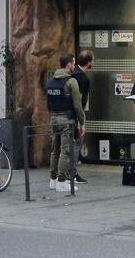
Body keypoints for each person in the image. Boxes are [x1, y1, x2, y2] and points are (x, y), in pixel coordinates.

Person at [47, 53, 86, 193]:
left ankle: (53, 180)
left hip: (53, 119)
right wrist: (82, 122)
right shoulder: (71, 81)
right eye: (73, 63)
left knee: (55, 150)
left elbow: (48, 102)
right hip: (66, 119)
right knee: (66, 151)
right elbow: (77, 105)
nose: (74, 66)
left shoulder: (50, 81)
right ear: (69, 64)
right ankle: (62, 181)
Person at [69, 50, 93, 184]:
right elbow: (80, 101)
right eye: (92, 60)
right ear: (89, 62)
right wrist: (80, 121)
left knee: (65, 145)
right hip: (75, 115)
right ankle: (72, 173)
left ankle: (61, 174)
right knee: (77, 142)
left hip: (65, 113)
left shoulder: (71, 74)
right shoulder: (83, 79)